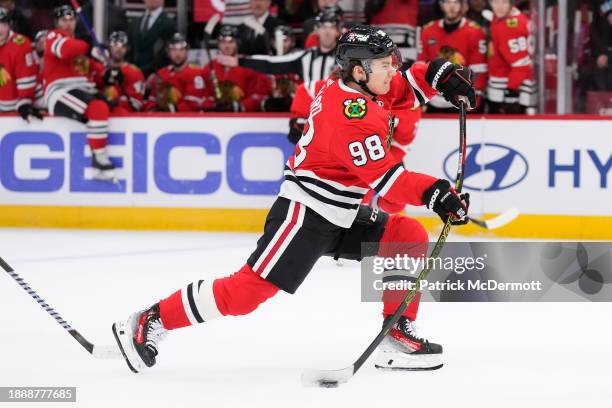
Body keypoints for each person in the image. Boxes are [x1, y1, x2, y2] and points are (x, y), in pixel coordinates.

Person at [112, 25, 475, 373]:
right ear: (360, 71)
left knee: (406, 235)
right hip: (307, 214)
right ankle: (152, 318)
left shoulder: (362, 87)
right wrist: (435, 193)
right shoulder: (349, 114)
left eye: (391, 63)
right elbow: (388, 181)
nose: (392, 70)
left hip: (341, 213)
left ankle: (395, 332)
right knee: (245, 293)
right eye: (384, 65)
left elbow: (405, 85)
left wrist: (438, 73)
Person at [43, 5, 114, 179]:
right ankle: (99, 157)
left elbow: (96, 72)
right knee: (97, 107)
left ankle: (99, 157)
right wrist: (90, 49)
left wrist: (109, 74)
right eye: (63, 20)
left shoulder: (80, 44)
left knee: (109, 108)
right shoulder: (53, 36)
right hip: (60, 92)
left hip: (82, 91)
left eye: (71, 20)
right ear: (57, 22)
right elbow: (65, 49)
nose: (68, 24)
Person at [229, 7, 341, 84]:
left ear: (338, 31)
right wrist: (241, 61)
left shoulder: (345, 59)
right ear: (317, 30)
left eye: (332, 27)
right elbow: (271, 63)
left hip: (337, 112)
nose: (327, 32)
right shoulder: (305, 56)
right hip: (313, 111)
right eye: (324, 27)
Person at [418, 0, 488, 112]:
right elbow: (421, 66)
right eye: (447, 2)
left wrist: (475, 97)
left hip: (462, 99)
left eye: (456, 2)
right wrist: (420, 97)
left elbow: (479, 69)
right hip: (433, 99)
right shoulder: (428, 30)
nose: (452, 7)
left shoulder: (475, 31)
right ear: (441, 5)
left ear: (462, 6)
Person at [203, 25, 271, 112]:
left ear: (238, 43)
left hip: (242, 119)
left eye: (231, 42)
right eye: (223, 42)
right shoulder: (209, 68)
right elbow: (203, 96)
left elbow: (258, 95)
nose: (227, 46)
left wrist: (239, 107)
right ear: (218, 44)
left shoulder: (248, 66)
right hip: (216, 118)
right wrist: (212, 105)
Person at [487, 0, 535, 113]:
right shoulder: (510, 17)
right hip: (505, 83)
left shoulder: (509, 27)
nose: (499, 7)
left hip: (505, 89)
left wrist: (511, 93)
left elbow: (521, 65)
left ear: (511, 4)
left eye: (504, 2)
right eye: (496, 2)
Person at [144, 33, 207, 112]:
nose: (177, 54)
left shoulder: (196, 73)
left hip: (188, 121)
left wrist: (169, 110)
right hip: (163, 120)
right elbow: (152, 100)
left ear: (187, 51)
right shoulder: (162, 73)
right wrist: (152, 110)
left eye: (181, 50)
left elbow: (192, 105)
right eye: (173, 50)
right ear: (168, 52)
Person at [0, 7, 40, 120]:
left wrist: (25, 103)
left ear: (9, 25)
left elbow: (26, 77)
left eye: (3, 24)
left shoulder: (20, 44)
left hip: (25, 103)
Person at [100, 31, 145, 114]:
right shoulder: (100, 70)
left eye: (122, 46)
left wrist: (114, 100)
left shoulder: (135, 72)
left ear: (127, 48)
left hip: (125, 120)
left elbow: (136, 105)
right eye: (115, 45)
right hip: (101, 117)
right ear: (109, 46)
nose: (119, 49)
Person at [127, 0, 176, 77]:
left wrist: (156, 74)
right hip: (133, 76)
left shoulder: (169, 24)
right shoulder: (135, 23)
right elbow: (129, 50)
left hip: (157, 77)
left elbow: (167, 54)